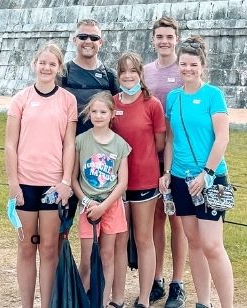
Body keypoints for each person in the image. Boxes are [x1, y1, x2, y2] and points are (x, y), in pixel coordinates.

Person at [158, 36, 233, 308]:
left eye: (192, 64)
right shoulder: (174, 98)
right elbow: (170, 139)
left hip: (209, 180)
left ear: (202, 66)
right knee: (194, 242)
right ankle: (204, 301)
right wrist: (167, 172)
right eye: (183, 64)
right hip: (180, 178)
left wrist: (207, 174)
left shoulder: (213, 95)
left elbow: (222, 138)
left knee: (213, 246)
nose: (187, 69)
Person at [5, 41, 78, 308]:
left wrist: (65, 182)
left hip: (52, 186)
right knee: (26, 247)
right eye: (42, 62)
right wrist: (14, 183)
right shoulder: (21, 99)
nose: (46, 67)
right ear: (34, 64)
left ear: (59, 68)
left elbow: (69, 144)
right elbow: (10, 144)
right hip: (25, 183)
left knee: (49, 248)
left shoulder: (67, 100)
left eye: (52, 63)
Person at [111, 52, 166, 308]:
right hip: (118, 184)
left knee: (144, 239)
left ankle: (144, 298)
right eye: (123, 71)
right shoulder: (113, 104)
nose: (128, 76)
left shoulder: (152, 104)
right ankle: (118, 298)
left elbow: (159, 143)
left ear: (141, 74)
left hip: (145, 181)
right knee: (120, 241)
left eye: (133, 71)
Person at [143, 16, 188, 307]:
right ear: (153, 40)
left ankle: (177, 282)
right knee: (156, 219)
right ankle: (157, 279)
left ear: (176, 39)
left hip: (179, 156)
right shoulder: (146, 71)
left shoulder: (183, 70)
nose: (164, 42)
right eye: (159, 36)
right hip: (151, 156)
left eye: (169, 37)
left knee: (178, 221)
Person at [72, 91, 131, 307]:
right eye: (94, 111)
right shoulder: (80, 141)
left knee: (107, 256)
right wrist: (87, 202)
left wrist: (105, 206)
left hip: (111, 206)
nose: (98, 115)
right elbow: (73, 177)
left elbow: (122, 182)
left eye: (103, 112)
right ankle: (82, 299)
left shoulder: (120, 145)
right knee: (87, 259)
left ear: (112, 114)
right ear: (89, 113)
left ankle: (103, 301)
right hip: (88, 207)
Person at [61, 17, 118, 133]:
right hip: (70, 145)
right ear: (75, 40)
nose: (88, 41)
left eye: (94, 38)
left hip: (101, 147)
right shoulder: (62, 74)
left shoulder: (111, 76)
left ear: (100, 42)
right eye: (83, 37)